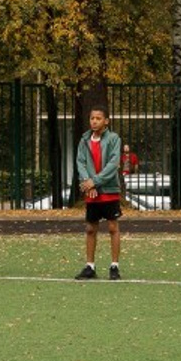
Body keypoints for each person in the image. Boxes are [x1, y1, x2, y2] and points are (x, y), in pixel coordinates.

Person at [74, 105, 123, 280]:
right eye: (92, 118)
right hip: (91, 191)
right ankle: (90, 267)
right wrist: (89, 184)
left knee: (112, 227)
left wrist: (95, 181)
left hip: (109, 189)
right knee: (90, 228)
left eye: (98, 118)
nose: (94, 121)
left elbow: (113, 163)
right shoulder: (84, 140)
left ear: (106, 121)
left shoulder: (113, 139)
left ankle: (114, 266)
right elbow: (80, 162)